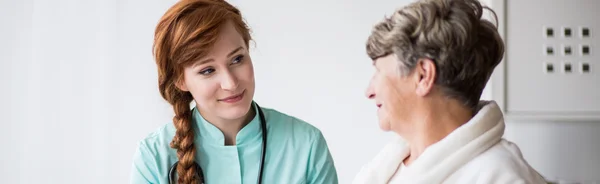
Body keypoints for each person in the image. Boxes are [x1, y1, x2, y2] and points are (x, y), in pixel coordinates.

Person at [129, 0, 338, 183]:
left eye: (237, 59)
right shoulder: (153, 157)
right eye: (208, 70)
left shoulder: (306, 144)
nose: (230, 83)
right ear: (180, 81)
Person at [352, 0, 547, 183]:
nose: (369, 92)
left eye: (378, 71)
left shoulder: (500, 177)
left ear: (423, 76)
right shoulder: (389, 166)